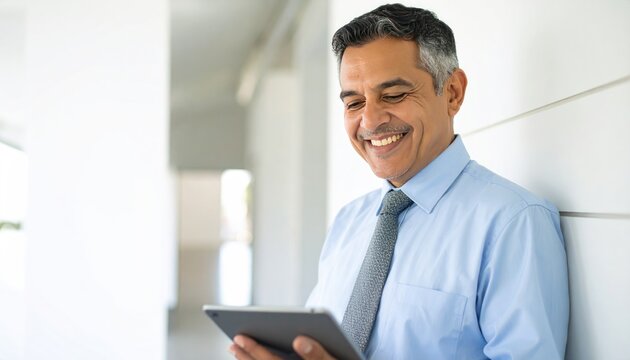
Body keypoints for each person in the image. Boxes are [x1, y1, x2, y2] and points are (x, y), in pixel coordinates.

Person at [230, 3, 569, 359]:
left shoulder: (513, 224)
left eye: (393, 95)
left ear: (452, 92)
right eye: (354, 102)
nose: (371, 121)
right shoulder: (349, 222)